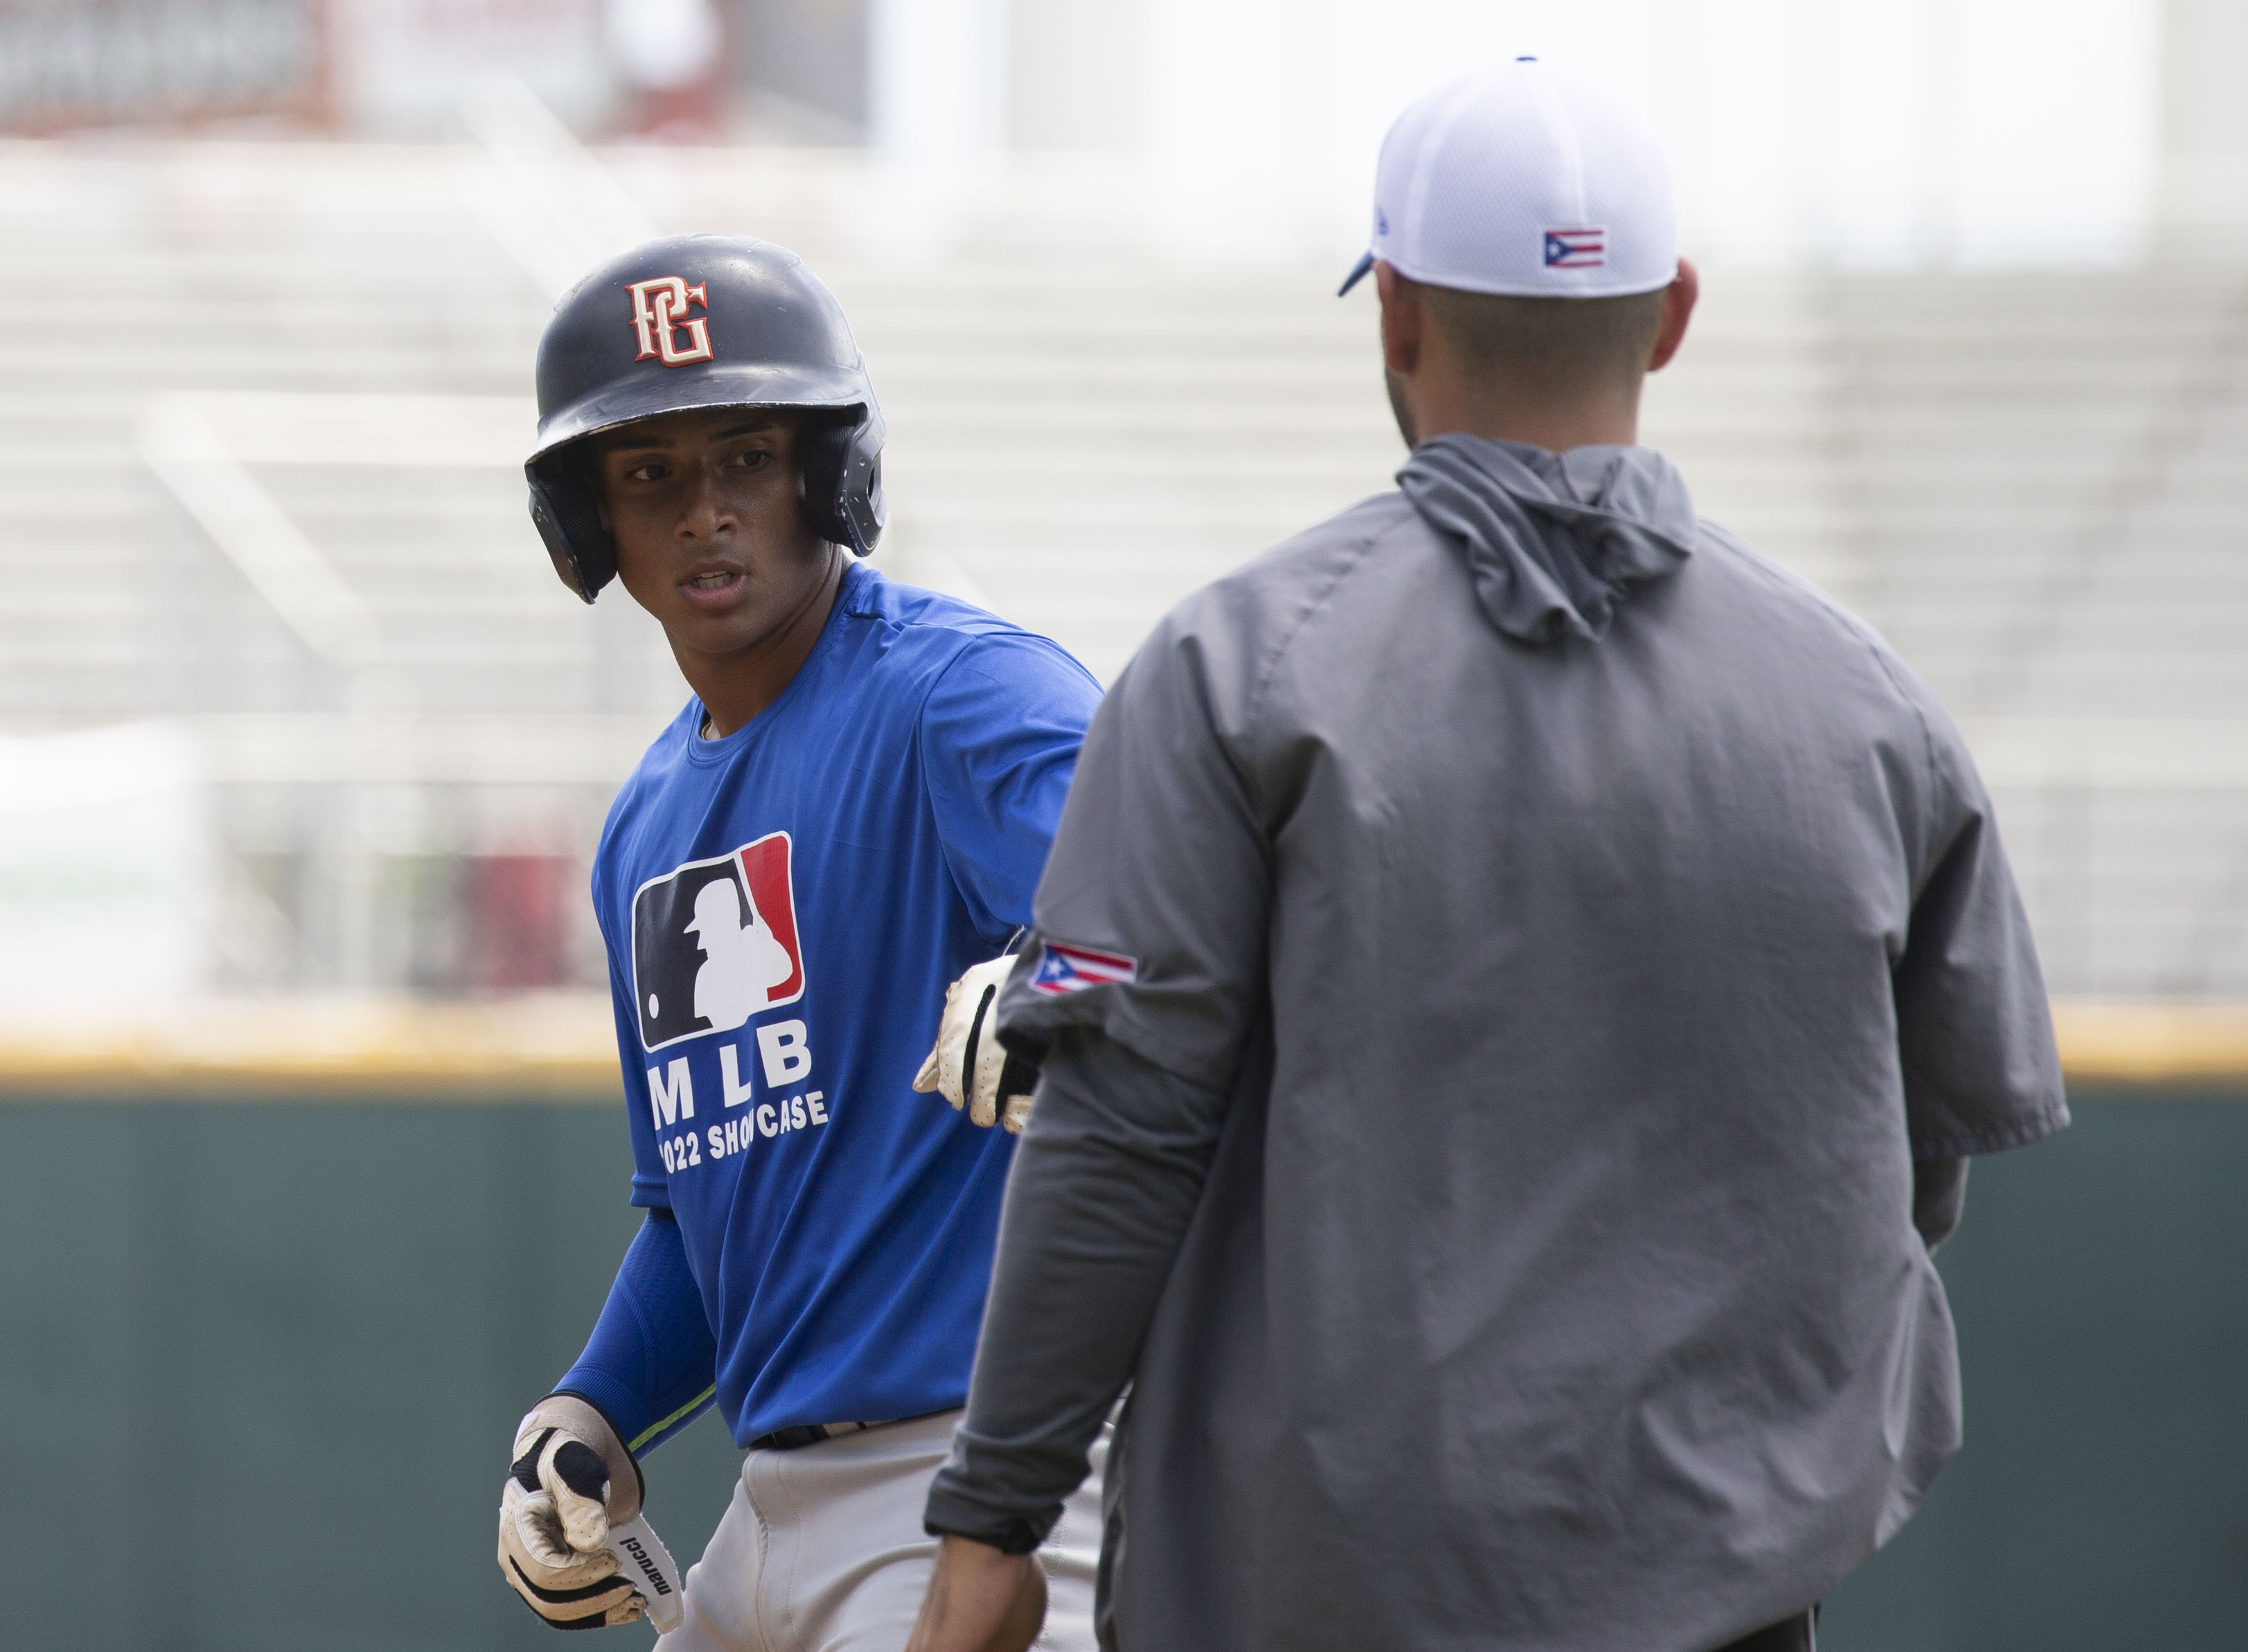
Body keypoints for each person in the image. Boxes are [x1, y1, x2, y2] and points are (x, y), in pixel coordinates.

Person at [906, 60, 2068, 1652]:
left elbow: (1118, 1135)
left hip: (1315, 1592)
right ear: (1670, 317)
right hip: (1724, 1591)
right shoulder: (1874, 710)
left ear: (1395, 313)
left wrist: (995, 1514)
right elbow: (1906, 1182)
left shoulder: (1234, 669)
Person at [491, 233, 1108, 1649]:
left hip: (985, 1481)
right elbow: (714, 1203)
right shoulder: (645, 821)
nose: (704, 510)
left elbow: (1173, 916)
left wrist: (1074, 968)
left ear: (829, 474)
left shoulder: (963, 691)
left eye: (748, 456)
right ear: (591, 522)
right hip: (764, 1514)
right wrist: (589, 1404)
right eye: (649, 473)